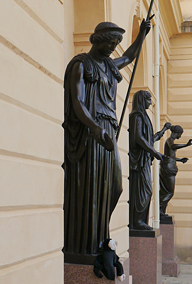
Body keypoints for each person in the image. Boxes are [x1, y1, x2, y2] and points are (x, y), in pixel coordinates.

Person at [63, 19, 151, 260]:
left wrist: (141, 35)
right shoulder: (82, 65)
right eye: (111, 42)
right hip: (90, 134)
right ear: (98, 40)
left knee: (115, 185)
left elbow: (130, 57)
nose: (114, 47)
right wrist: (93, 127)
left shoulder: (110, 66)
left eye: (117, 43)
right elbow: (77, 101)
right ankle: (87, 241)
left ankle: (100, 231)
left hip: (107, 131)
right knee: (90, 187)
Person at [129, 91, 170, 231]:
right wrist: (154, 152)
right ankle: (137, 222)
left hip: (144, 160)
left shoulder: (143, 117)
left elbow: (149, 139)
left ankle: (141, 221)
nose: (150, 102)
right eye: (148, 99)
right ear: (142, 100)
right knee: (143, 191)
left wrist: (164, 129)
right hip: (138, 162)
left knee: (146, 191)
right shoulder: (136, 117)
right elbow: (138, 138)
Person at [159, 126, 192, 219]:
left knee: (165, 191)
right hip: (168, 169)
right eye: (180, 134)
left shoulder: (170, 141)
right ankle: (159, 209)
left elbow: (170, 156)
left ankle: (161, 212)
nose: (180, 135)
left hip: (169, 167)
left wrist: (180, 160)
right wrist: (186, 145)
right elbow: (173, 146)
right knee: (169, 192)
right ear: (177, 133)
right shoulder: (169, 140)